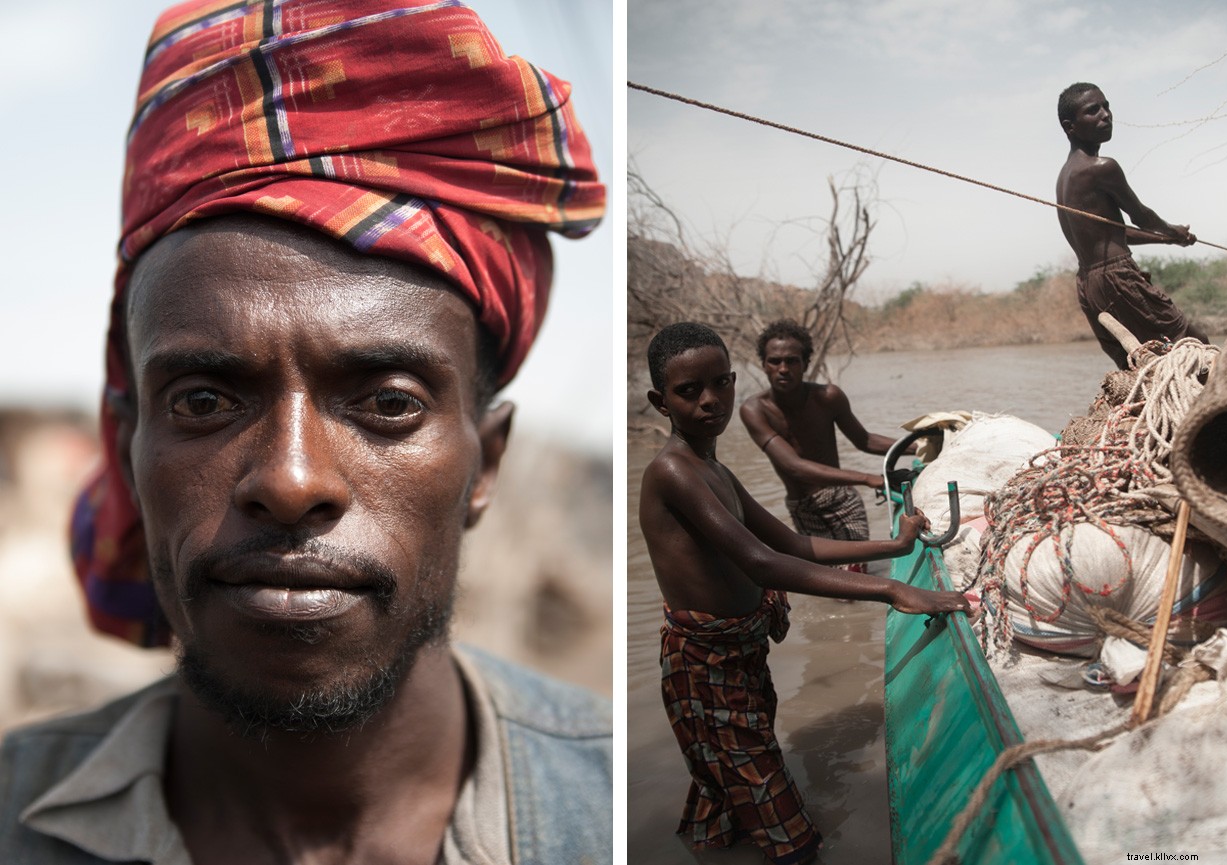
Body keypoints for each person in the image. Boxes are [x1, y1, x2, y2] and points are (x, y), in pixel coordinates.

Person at [0, 3, 610, 864]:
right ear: (129, 449)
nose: (291, 481)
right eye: (204, 401)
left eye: (388, 403)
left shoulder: (606, 809)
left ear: (487, 462)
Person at [639, 322, 971, 865]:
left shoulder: (714, 468)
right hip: (706, 670)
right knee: (794, 842)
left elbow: (794, 544)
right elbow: (761, 561)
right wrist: (890, 589)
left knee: (725, 799)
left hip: (741, 656)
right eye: (688, 391)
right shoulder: (672, 471)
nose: (710, 400)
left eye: (720, 383)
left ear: (733, 381)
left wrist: (895, 545)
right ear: (661, 402)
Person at [1055, 81, 1210, 369]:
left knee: (1137, 364)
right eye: (1093, 110)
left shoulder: (1065, 176)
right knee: (1194, 343)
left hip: (1089, 285)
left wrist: (1167, 240)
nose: (1106, 114)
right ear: (1070, 126)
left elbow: (1113, 233)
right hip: (1117, 278)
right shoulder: (1102, 167)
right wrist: (1172, 230)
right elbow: (1141, 217)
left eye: (1106, 106)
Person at [740, 319, 903, 573]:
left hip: (841, 500)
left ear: (806, 363)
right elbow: (793, 466)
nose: (783, 369)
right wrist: (868, 478)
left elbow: (865, 440)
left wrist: (920, 444)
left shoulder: (828, 397)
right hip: (803, 509)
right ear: (763, 364)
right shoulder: (754, 410)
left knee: (852, 575)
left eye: (792, 361)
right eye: (774, 361)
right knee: (826, 582)